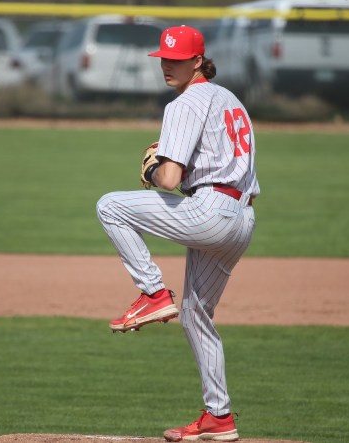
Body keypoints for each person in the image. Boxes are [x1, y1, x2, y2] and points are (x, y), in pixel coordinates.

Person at [96, 25, 259, 442]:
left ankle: (152, 294)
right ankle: (219, 417)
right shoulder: (231, 100)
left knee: (110, 205)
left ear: (198, 61)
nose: (168, 65)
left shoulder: (184, 104)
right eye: (164, 58)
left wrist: (152, 168)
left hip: (211, 212)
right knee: (195, 316)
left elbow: (169, 179)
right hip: (241, 219)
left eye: (177, 59)